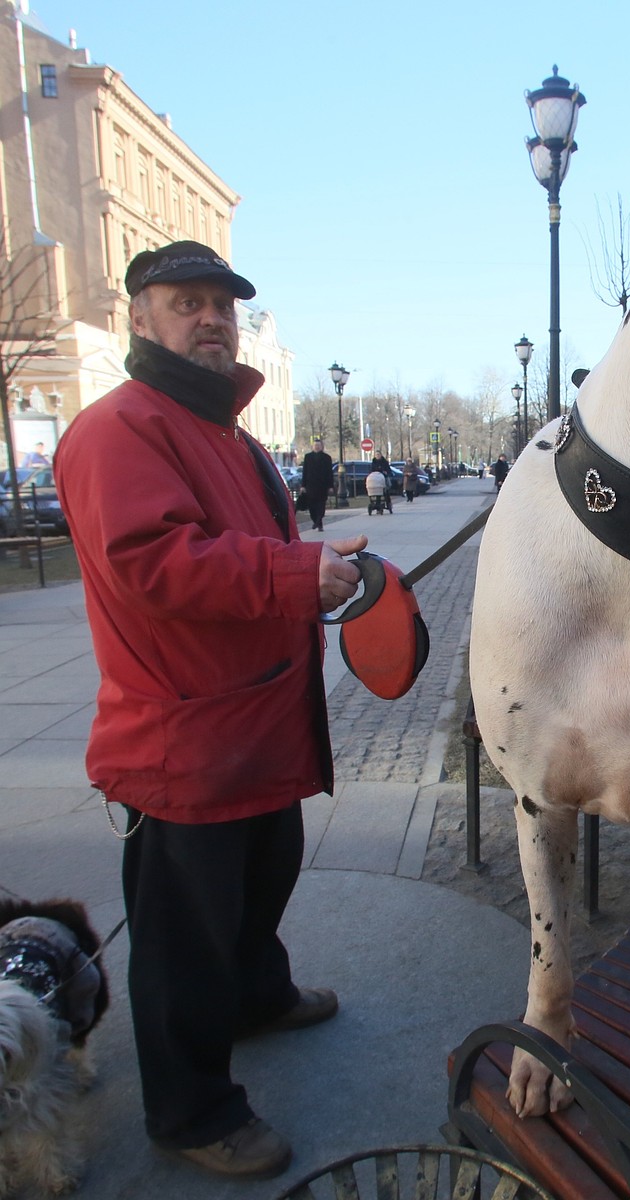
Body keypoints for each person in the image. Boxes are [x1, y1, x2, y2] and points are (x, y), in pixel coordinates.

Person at [54, 240, 367, 1182]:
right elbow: (154, 563)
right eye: (184, 303)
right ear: (137, 321)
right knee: (182, 939)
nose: (209, 319)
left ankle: (256, 996)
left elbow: (243, 548)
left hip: (253, 727)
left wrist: (318, 562)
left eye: (220, 306)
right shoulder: (121, 429)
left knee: (258, 882)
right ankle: (190, 1111)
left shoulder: (223, 432)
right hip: (183, 739)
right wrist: (294, 573)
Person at [301, 439, 334, 531]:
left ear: (321, 446)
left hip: (322, 486)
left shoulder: (327, 457)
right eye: (315, 445)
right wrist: (303, 485)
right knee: (312, 506)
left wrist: (330, 486)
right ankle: (316, 521)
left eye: (318, 445)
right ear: (312, 446)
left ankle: (318, 522)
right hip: (310, 485)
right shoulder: (308, 457)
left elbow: (329, 473)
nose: (317, 447)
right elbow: (305, 471)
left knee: (321, 506)